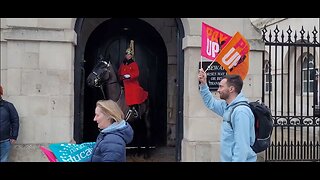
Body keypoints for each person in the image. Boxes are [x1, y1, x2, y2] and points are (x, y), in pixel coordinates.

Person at [198, 69, 257, 162]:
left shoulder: (241, 112)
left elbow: (242, 147)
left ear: (231, 89)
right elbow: (211, 103)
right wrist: (203, 84)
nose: (218, 90)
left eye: (221, 87)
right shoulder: (228, 107)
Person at [118, 40, 148, 118]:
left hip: (132, 83)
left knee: (134, 91)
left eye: (130, 55)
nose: (128, 56)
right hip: (123, 83)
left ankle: (134, 109)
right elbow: (119, 72)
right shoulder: (122, 64)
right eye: (127, 54)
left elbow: (136, 73)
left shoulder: (134, 64)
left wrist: (129, 76)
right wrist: (122, 77)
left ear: (131, 56)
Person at [0, 85, 19, 162]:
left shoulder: (8, 106)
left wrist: (14, 136)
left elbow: (15, 121)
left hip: (4, 140)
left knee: (3, 160)